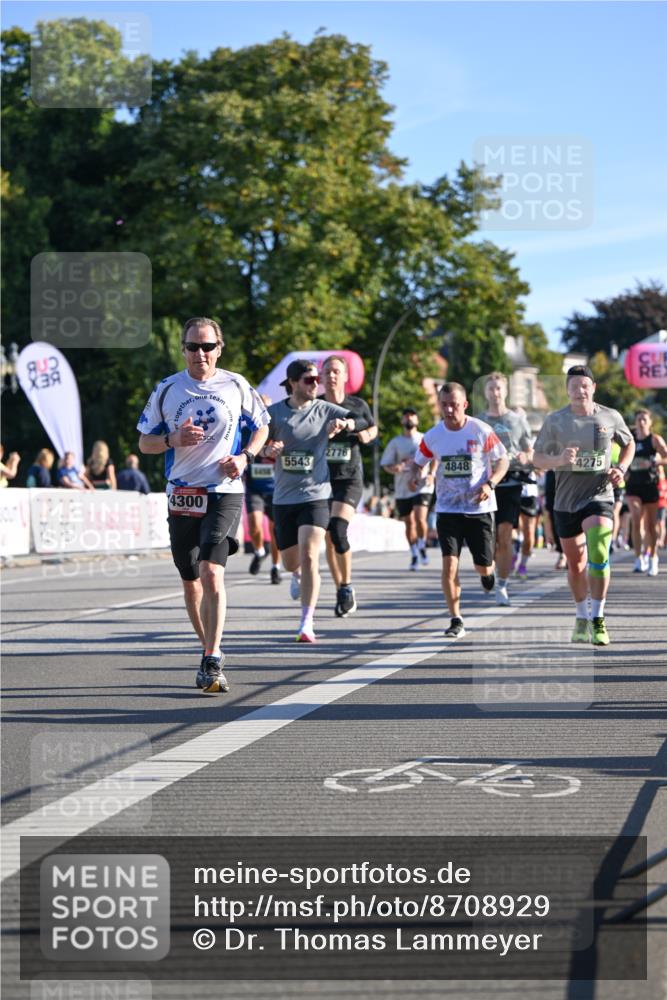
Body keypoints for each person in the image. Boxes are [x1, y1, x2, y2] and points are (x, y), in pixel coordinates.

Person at [138, 316, 269, 694]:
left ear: (219, 349)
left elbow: (262, 426)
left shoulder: (236, 385)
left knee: (212, 572)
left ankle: (212, 657)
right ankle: (208, 648)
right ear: (183, 350)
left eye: (208, 346)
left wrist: (245, 457)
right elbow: (144, 442)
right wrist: (172, 439)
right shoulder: (167, 389)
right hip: (182, 493)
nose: (201, 353)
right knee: (191, 578)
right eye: (193, 347)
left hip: (224, 490)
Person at [264, 359, 367, 643]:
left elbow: (362, 420)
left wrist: (347, 423)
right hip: (284, 498)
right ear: (293, 383)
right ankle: (296, 574)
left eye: (316, 380)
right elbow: (254, 441)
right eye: (309, 380)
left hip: (317, 495)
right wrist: (268, 449)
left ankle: (306, 622)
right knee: (290, 562)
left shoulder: (323, 408)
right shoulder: (274, 414)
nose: (315, 385)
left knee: (311, 554)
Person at [533, 365, 634, 646]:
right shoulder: (555, 420)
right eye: (574, 386)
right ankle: (581, 615)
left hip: (599, 495)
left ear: (593, 388)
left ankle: (598, 617)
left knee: (599, 551)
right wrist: (559, 460)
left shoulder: (610, 416)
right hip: (565, 502)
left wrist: (621, 468)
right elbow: (537, 458)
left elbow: (629, 444)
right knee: (576, 565)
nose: (580, 391)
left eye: (585, 386)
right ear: (567, 390)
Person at [409, 382, 509, 638]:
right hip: (447, 510)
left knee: (483, 567)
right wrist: (414, 475)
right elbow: (418, 462)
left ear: (465, 404)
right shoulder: (433, 435)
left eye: (454, 405)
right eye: (444, 405)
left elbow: (503, 460)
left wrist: (490, 483)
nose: (449, 410)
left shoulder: (481, 430)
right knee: (449, 566)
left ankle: (488, 574)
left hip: (479, 509)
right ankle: (456, 618)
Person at [322, 355, 377, 617]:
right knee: (328, 538)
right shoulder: (316, 406)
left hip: (349, 477)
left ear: (345, 376)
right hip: (321, 479)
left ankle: (346, 585)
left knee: (337, 529)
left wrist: (364, 434)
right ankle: (341, 588)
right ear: (321, 378)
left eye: (336, 371)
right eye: (327, 372)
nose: (332, 376)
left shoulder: (357, 405)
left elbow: (372, 427)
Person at [475, 372, 534, 604]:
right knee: (487, 538)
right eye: (491, 388)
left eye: (499, 388)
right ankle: (487, 570)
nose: (495, 393)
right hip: (484, 485)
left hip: (511, 482)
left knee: (505, 534)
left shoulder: (517, 420)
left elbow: (529, 450)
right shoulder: (478, 422)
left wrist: (526, 456)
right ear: (485, 392)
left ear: (506, 391)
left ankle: (502, 584)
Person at [380, 408, 434, 570]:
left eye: (412, 416)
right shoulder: (395, 442)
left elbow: (436, 457)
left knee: (420, 518)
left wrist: (431, 474)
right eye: (406, 416)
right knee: (409, 523)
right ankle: (415, 553)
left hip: (422, 486)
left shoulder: (425, 438)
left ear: (417, 420)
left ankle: (422, 544)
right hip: (402, 488)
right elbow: (386, 464)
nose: (409, 419)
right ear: (402, 421)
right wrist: (394, 468)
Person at [625, 408, 667, 576]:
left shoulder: (655, 440)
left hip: (650, 485)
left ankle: (653, 558)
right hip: (633, 485)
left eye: (644, 419)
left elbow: (666, 457)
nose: (641, 422)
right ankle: (638, 559)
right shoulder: (630, 440)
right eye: (638, 420)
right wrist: (623, 469)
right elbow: (622, 457)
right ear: (635, 422)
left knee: (651, 525)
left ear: (650, 422)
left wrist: (656, 462)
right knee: (636, 519)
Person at [245, 395, 282, 584]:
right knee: (254, 526)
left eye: (267, 409)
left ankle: (276, 567)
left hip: (276, 489)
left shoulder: (278, 432)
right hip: (255, 488)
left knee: (276, 532)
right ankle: (260, 551)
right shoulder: (246, 431)